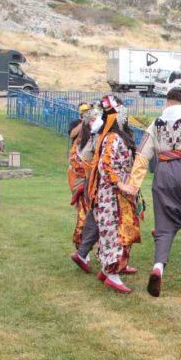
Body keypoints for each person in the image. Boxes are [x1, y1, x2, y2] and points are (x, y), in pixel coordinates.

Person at [120, 86, 181, 297]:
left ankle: (158, 267)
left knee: (164, 225)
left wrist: (134, 184)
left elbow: (142, 155)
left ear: (168, 102)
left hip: (162, 173)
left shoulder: (156, 124)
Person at [88, 96, 142, 293]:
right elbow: (105, 165)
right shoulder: (112, 137)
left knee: (124, 228)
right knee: (114, 231)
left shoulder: (119, 136)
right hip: (112, 193)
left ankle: (110, 268)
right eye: (122, 113)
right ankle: (112, 273)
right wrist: (121, 185)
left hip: (122, 190)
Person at [69, 103, 111, 274]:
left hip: (89, 184)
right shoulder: (89, 137)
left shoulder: (92, 137)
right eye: (91, 118)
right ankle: (100, 258)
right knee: (96, 219)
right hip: (94, 184)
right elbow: (79, 161)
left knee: (92, 218)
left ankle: (84, 253)